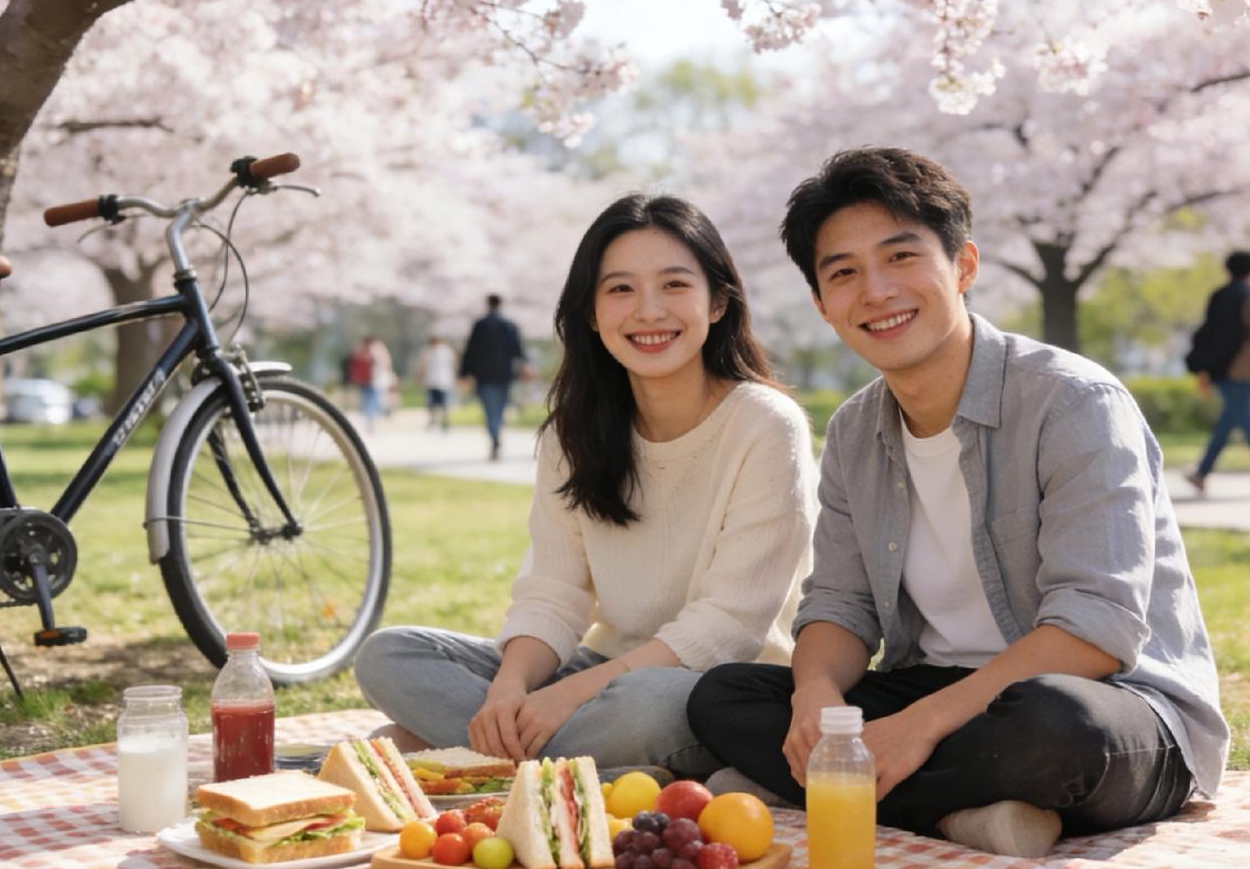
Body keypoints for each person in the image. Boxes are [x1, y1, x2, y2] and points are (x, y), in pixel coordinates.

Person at [687, 147, 1228, 858]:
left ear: (963, 266)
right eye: (843, 272)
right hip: (938, 688)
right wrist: (814, 692)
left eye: (900, 257)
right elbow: (839, 605)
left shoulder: (1074, 401)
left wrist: (920, 726)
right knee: (723, 696)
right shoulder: (855, 428)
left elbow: (1096, 628)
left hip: (1107, 701)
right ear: (823, 305)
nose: (875, 291)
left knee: (1053, 727)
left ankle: (853, 791)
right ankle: (963, 812)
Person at [354, 194, 817, 775]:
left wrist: (568, 696)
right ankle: (604, 770)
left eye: (674, 285)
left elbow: (730, 626)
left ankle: (478, 754)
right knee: (390, 654)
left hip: (711, 687)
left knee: (648, 707)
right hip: (600, 670)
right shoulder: (573, 432)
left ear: (719, 301)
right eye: (620, 289)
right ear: (592, 314)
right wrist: (510, 689)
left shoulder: (765, 424)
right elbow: (554, 592)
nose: (648, 311)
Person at [1184, 250, 1250, 495]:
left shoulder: (1219, 296)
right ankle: (1201, 473)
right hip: (1243, 370)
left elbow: (1207, 335)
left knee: (1228, 423)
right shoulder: (1246, 296)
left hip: (1221, 371)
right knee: (1245, 421)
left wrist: (1205, 371)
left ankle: (1201, 473)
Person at [459, 294, 529, 460]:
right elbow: (518, 350)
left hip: (484, 375)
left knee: (490, 409)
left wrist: (464, 372)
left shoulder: (480, 325)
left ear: (488, 304)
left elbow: (470, 351)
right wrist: (525, 365)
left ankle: (494, 437)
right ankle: (496, 436)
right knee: (499, 408)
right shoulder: (509, 325)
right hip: (504, 374)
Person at [350, 335, 396, 432]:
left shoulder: (361, 350)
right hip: (376, 379)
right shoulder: (379, 348)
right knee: (375, 400)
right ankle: (374, 419)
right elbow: (385, 363)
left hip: (367, 379)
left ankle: (371, 420)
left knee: (369, 400)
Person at [417, 334, 457, 431]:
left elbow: (423, 366)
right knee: (440, 404)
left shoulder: (431, 351)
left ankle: (439, 421)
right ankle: (440, 421)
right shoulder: (446, 351)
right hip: (440, 381)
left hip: (437, 381)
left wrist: (420, 376)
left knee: (435, 404)